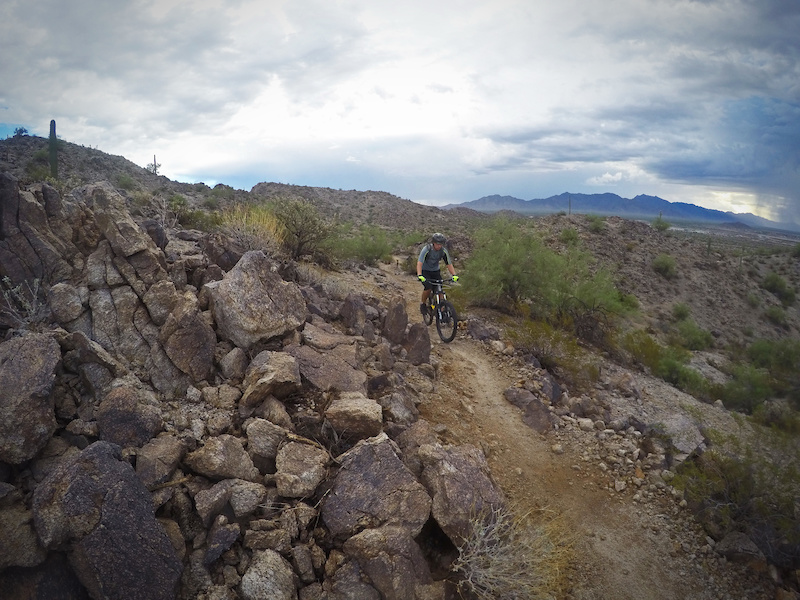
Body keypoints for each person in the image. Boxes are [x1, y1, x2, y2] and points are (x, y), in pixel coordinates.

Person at [416, 232, 458, 314]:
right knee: (428, 287)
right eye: (437, 244)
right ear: (433, 243)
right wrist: (419, 275)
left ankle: (441, 309)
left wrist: (454, 275)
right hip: (425, 271)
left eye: (441, 244)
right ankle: (423, 304)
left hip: (435, 271)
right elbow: (420, 263)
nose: (439, 246)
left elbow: (448, 264)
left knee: (439, 289)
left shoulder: (443, 251)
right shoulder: (427, 249)